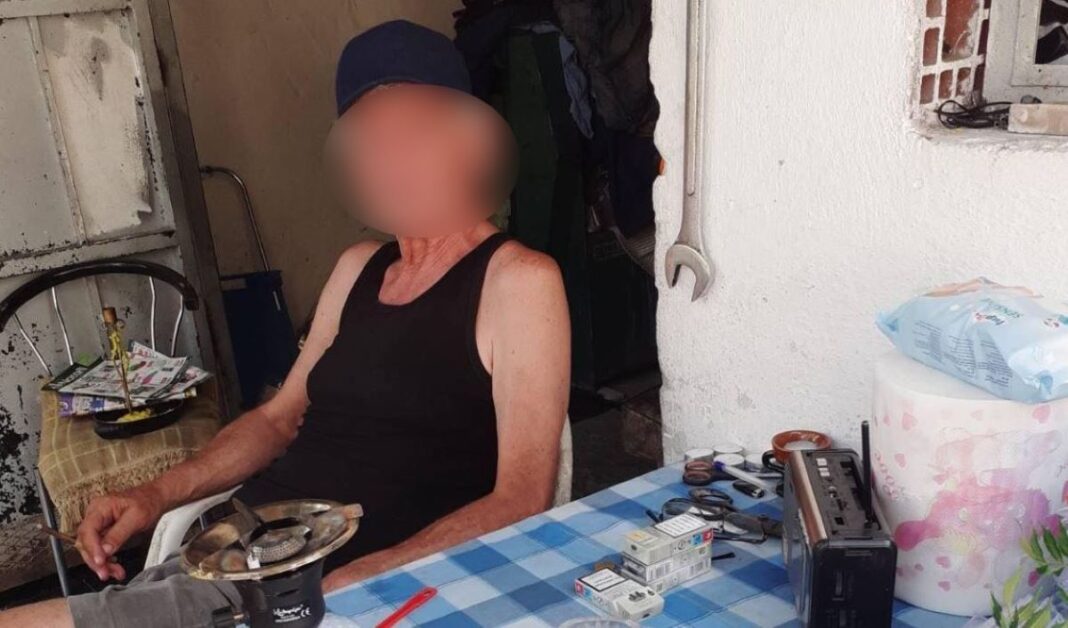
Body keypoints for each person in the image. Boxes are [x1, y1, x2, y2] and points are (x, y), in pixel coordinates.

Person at [0, 20, 569, 628]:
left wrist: (368, 578)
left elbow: (522, 495)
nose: (391, 160)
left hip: (342, 585)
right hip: (246, 550)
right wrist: (152, 495)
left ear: (469, 143)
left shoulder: (518, 281)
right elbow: (278, 419)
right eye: (371, 141)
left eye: (416, 133)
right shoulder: (358, 267)